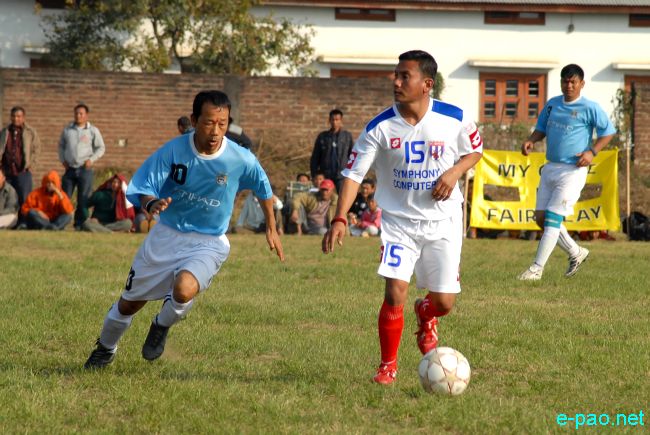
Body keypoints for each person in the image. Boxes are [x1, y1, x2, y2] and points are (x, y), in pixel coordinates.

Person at [83, 90, 284, 369]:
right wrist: (152, 203)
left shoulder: (240, 158)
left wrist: (271, 226)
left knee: (184, 290)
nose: (216, 131)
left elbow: (263, 188)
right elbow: (144, 186)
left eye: (222, 124)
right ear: (194, 120)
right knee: (129, 304)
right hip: (166, 235)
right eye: (209, 122)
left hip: (209, 241)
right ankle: (105, 349)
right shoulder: (173, 151)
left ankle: (161, 325)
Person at [322, 50, 483, 385]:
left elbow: (475, 151)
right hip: (398, 222)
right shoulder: (379, 127)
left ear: (427, 84)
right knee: (395, 290)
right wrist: (339, 218)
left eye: (404, 76)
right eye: (395, 75)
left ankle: (426, 314)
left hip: (444, 220)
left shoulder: (454, 118)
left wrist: (454, 172)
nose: (395, 82)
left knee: (444, 302)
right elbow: (353, 175)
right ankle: (388, 367)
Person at [518, 64, 615, 281]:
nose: (569, 85)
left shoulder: (590, 107)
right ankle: (576, 252)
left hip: (573, 170)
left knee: (553, 218)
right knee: (541, 219)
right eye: (565, 81)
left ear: (582, 84)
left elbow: (608, 132)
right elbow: (541, 128)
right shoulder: (552, 104)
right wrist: (531, 140)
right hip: (550, 167)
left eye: (573, 82)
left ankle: (536, 269)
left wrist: (592, 152)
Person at [58, 103, 106, 229]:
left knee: (83, 198)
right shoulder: (67, 130)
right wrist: (63, 160)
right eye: (76, 113)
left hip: (85, 169)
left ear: (86, 115)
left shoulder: (92, 130)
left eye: (81, 113)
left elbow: (101, 148)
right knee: (64, 197)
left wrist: (91, 160)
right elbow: (61, 146)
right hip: (70, 169)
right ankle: (61, 222)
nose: (78, 116)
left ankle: (79, 224)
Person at [0, 106, 41, 207]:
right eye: (13, 116)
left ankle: (24, 217)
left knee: (24, 199)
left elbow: (37, 149)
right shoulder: (5, 132)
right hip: (7, 172)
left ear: (23, 117)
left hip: (23, 172)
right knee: (6, 199)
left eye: (18, 116)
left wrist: (31, 166)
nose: (15, 119)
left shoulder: (30, 132)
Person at [310, 109, 354, 192]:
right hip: (326, 175)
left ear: (341, 121)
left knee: (342, 196)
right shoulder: (323, 137)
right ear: (329, 120)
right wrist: (314, 174)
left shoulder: (347, 137)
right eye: (332, 120)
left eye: (337, 120)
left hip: (342, 175)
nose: (334, 122)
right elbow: (315, 157)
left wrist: (351, 173)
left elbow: (352, 156)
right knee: (326, 196)